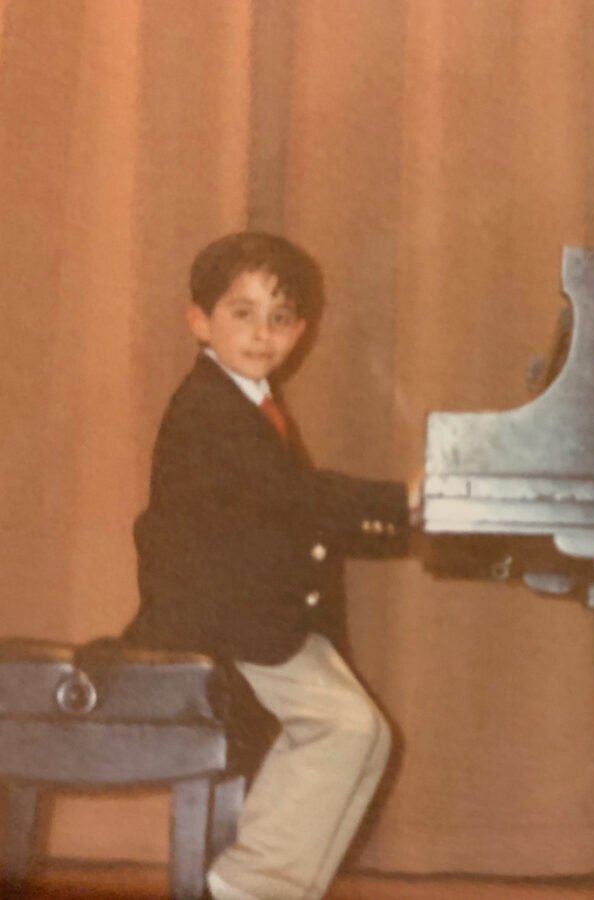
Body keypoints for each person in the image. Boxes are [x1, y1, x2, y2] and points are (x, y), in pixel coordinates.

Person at [123, 231, 409, 900]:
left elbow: (285, 511)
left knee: (363, 734)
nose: (262, 334)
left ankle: (270, 885)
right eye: (242, 312)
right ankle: (244, 883)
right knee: (346, 728)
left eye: (280, 318)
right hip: (219, 621)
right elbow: (290, 498)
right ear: (200, 322)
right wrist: (400, 503)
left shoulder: (249, 404)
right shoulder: (206, 408)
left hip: (261, 615)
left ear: (302, 331)